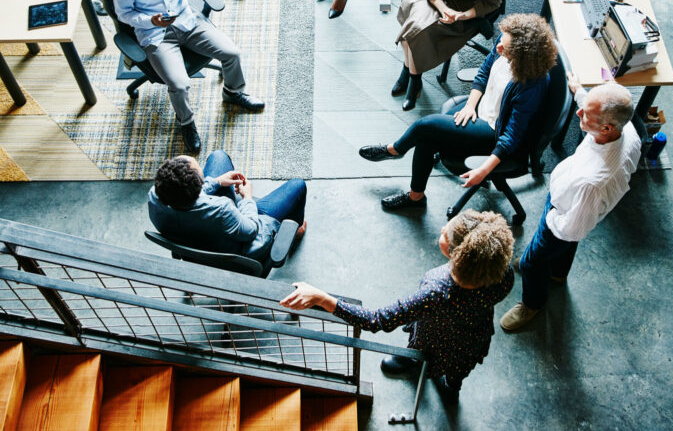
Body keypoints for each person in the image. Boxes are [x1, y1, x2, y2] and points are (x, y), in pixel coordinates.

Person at [280, 209, 514, 404]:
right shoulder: (502, 272)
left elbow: (376, 320)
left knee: (421, 348)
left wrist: (323, 298)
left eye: (447, 234)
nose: (443, 229)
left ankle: (414, 360)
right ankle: (452, 387)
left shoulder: (436, 293)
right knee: (459, 368)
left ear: (458, 255)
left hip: (431, 335)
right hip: (473, 338)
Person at [359, 12, 557, 211]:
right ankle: (416, 197)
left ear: (523, 55)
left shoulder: (531, 83)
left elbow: (512, 135)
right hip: (478, 109)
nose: (498, 48)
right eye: (501, 41)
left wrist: (484, 169)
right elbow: (483, 72)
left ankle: (395, 150)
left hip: (493, 129)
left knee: (425, 126)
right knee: (427, 137)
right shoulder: (503, 45)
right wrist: (470, 105)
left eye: (505, 48)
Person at [112, 0, 264, 154]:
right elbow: (124, 14)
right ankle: (186, 122)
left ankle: (233, 93)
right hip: (156, 34)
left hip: (186, 19)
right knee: (180, 85)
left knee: (232, 53)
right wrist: (149, 20)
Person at [500, 79, 640, 332]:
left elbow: (572, 230)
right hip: (573, 203)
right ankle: (558, 273)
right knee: (563, 250)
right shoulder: (625, 130)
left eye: (585, 114)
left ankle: (532, 304)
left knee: (533, 261)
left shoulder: (593, 182)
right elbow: (592, 109)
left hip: (562, 215)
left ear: (607, 128)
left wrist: (551, 216)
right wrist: (580, 93)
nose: (579, 114)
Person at [148, 150, 307, 265]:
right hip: (237, 247)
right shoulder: (222, 208)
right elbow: (251, 229)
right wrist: (247, 198)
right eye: (202, 176)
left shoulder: (154, 197)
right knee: (298, 186)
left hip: (190, 237)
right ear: (198, 187)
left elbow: (188, 198)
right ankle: (295, 229)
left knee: (218, 156)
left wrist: (216, 182)